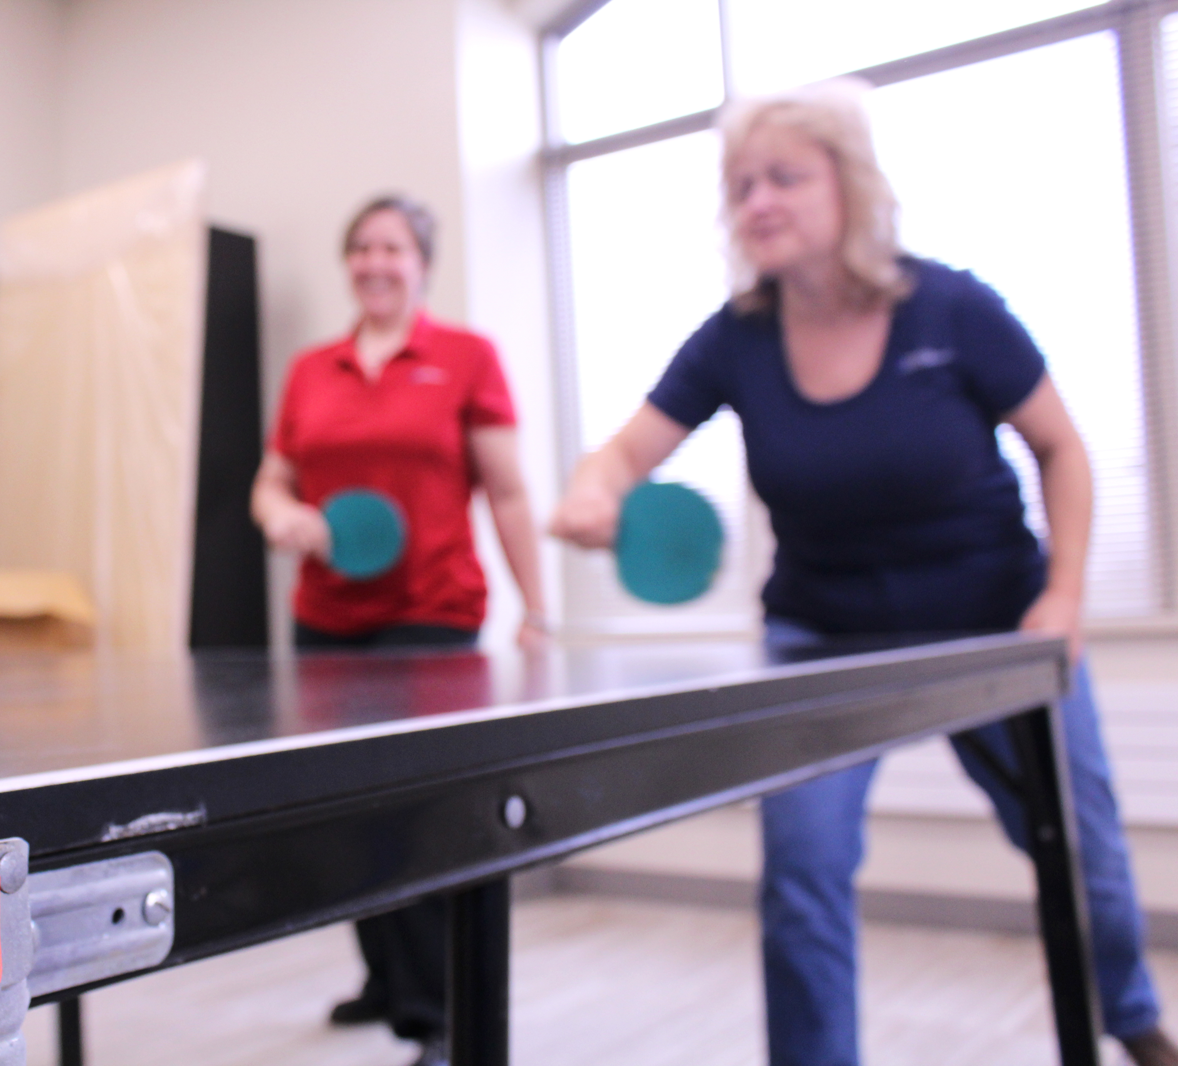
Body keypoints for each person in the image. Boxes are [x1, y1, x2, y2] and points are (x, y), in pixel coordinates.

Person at [550, 79, 1177, 1066]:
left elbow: (1061, 448)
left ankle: (1133, 1016)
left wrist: (1060, 596)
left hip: (994, 623)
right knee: (800, 873)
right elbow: (620, 456)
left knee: (1087, 864)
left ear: (850, 186)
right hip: (821, 635)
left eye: (783, 178)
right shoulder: (734, 337)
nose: (757, 201)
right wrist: (590, 494)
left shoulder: (954, 308)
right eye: (741, 183)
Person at [251, 195, 545, 1066]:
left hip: (432, 619)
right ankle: (384, 978)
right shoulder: (312, 369)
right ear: (350, 265)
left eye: (394, 247)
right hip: (327, 621)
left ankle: (440, 1012)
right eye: (362, 248)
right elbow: (272, 483)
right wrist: (282, 518)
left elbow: (511, 491)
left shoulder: (465, 356)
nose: (376, 261)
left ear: (422, 263)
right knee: (344, 813)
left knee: (420, 814)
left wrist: (537, 607)